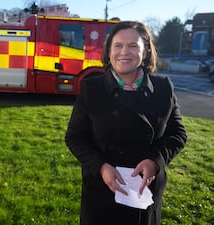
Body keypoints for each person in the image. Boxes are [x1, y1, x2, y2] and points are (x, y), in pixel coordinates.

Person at [65, 21, 187, 225]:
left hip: (145, 193)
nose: (124, 52)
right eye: (118, 45)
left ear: (145, 52)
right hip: (102, 193)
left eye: (133, 46)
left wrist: (155, 162)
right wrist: (102, 167)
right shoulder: (91, 89)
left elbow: (178, 134)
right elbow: (75, 137)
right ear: (109, 51)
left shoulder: (164, 88)